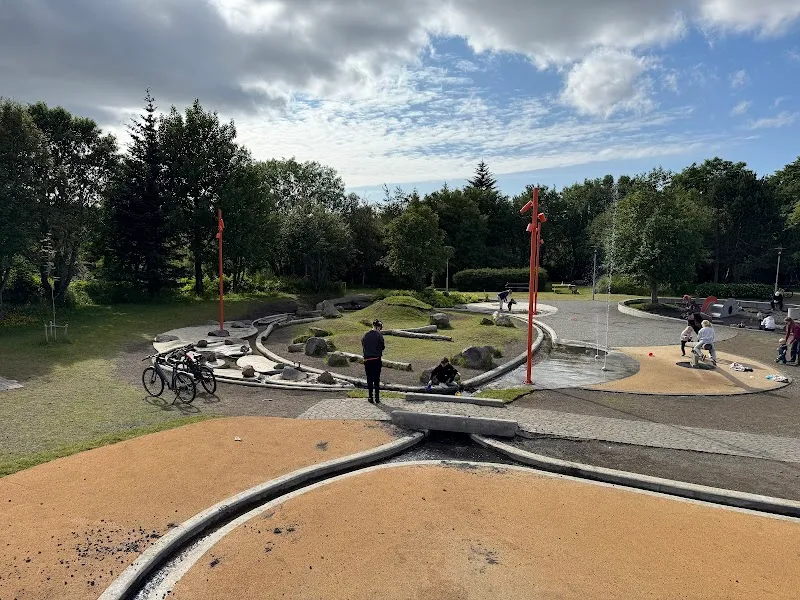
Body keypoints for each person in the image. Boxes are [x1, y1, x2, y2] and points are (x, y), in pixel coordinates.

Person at [361, 319, 385, 404]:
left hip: (367, 360)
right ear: (378, 327)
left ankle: (370, 396)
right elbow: (383, 347)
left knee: (369, 379)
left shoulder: (365, 335)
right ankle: (377, 397)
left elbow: (363, 345)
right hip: (376, 360)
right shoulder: (379, 336)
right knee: (376, 379)